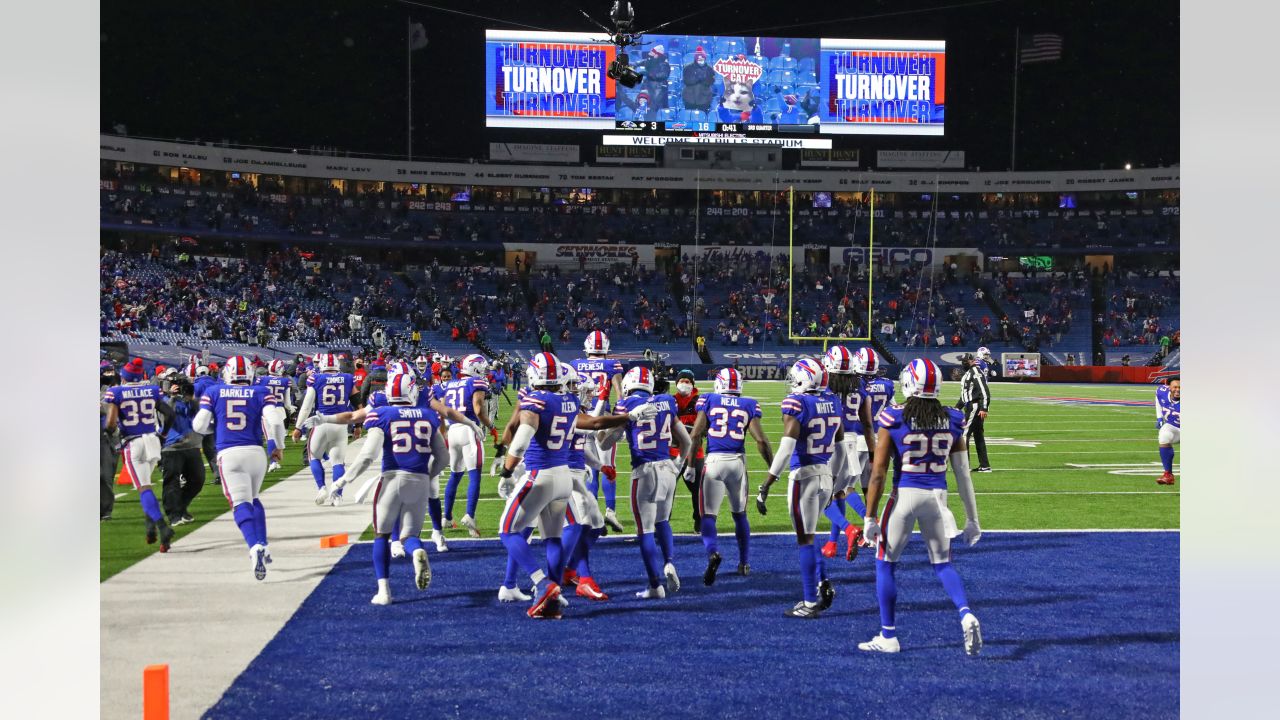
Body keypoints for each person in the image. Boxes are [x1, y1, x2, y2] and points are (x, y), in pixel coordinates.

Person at [495, 352, 639, 618]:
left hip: (540, 474)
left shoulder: (535, 400)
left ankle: (543, 583)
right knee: (552, 536)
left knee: (507, 531)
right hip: (564, 476)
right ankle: (551, 597)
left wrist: (506, 471)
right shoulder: (571, 402)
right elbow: (595, 423)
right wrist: (628, 418)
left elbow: (521, 439)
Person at [858, 358, 983, 655]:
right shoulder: (952, 418)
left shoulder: (893, 417)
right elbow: (964, 473)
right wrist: (972, 518)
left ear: (908, 383)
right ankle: (965, 612)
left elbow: (878, 473)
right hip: (937, 499)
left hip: (903, 497)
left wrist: (869, 516)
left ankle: (889, 635)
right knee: (943, 565)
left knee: (886, 564)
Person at [327, 372, 446, 605]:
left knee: (381, 534)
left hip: (391, 478)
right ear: (411, 391)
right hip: (419, 480)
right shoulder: (428, 415)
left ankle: (384, 591)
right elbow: (443, 458)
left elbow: (368, 455)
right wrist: (424, 476)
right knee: (410, 535)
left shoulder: (381, 413)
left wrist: (342, 481)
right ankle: (416, 552)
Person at [755, 358, 845, 619]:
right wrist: (834, 480)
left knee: (804, 540)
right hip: (826, 475)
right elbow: (840, 450)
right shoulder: (833, 402)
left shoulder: (798, 403)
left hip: (803, 477)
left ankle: (808, 602)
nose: (792, 382)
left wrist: (767, 481)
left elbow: (786, 448)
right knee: (810, 535)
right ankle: (823, 581)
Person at [597, 365, 691, 599]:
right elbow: (687, 441)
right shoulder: (667, 401)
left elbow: (603, 444)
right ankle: (669, 562)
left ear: (628, 384)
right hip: (668, 468)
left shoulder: (626, 405)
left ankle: (654, 586)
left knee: (645, 531)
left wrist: (617, 429)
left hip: (644, 470)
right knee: (663, 521)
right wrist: (678, 464)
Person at [193, 356, 285, 581]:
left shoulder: (214, 391)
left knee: (240, 503)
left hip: (229, 453)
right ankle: (264, 543)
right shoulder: (261, 391)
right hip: (255, 453)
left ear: (228, 373)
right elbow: (275, 421)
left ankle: (254, 547)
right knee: (254, 498)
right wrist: (278, 447)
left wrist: (216, 423)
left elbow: (199, 425)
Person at [683, 367, 773, 584]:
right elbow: (761, 441)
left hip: (714, 462)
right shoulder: (749, 404)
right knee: (740, 515)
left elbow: (695, 435)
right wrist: (772, 467)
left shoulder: (708, 399)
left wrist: (690, 466)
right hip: (737, 463)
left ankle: (713, 552)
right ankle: (743, 563)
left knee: (708, 516)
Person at [103, 357, 176, 551]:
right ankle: (151, 529)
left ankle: (162, 527)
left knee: (143, 488)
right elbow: (170, 414)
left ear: (124, 377)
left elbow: (110, 423)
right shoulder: (151, 390)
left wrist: (109, 434)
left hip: (133, 442)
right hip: (152, 440)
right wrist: (163, 435)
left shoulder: (115, 392)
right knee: (146, 485)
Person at [819, 346, 876, 562]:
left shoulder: (826, 386)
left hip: (833, 444)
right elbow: (868, 425)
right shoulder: (859, 386)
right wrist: (872, 454)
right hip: (854, 442)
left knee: (820, 495)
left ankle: (848, 530)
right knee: (840, 493)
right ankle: (833, 543)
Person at [571, 330, 627, 532]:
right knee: (608, 465)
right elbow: (621, 395)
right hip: (604, 419)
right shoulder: (612, 365)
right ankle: (610, 511)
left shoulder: (576, 364)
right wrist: (621, 421)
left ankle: (591, 514)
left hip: (584, 419)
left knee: (591, 469)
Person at [436, 354, 495, 537]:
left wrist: (443, 431)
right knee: (474, 475)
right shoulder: (476, 383)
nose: (484, 371)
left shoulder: (451, 383)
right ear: (475, 368)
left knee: (455, 474)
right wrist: (490, 426)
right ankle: (469, 514)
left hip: (453, 431)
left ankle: (446, 517)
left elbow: (442, 410)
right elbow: (478, 409)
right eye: (482, 368)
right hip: (469, 430)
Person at [292, 353, 355, 505]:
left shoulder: (316, 379)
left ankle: (322, 488)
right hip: (340, 424)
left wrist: (298, 427)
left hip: (321, 422)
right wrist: (357, 425)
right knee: (338, 462)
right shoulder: (347, 378)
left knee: (314, 457)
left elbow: (307, 406)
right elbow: (354, 401)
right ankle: (337, 495)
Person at [159, 373, 205, 525]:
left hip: (191, 445)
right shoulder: (164, 400)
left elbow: (199, 414)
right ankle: (174, 515)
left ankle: (180, 507)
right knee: (171, 481)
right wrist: (172, 396)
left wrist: (191, 397)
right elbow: (167, 415)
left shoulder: (190, 401)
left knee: (197, 480)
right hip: (172, 446)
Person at [670, 369, 704, 529]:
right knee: (667, 490)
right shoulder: (669, 400)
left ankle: (699, 520)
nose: (684, 383)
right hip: (672, 452)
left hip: (695, 453)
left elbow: (702, 430)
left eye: (687, 381)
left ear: (693, 384)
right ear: (676, 383)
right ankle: (663, 522)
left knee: (698, 490)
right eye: (681, 380)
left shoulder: (700, 401)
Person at [256, 359, 294, 472]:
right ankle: (275, 461)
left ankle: (273, 462)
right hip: (280, 410)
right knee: (278, 437)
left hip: (266, 410)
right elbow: (287, 403)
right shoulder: (285, 381)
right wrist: (291, 409)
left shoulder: (261, 379)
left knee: (270, 437)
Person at [957, 353, 993, 472]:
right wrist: (956, 408)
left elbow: (984, 391)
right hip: (972, 406)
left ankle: (964, 466)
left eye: (967, 360)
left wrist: (983, 408)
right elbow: (965, 396)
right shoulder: (969, 373)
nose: (964, 362)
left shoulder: (975, 372)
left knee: (964, 434)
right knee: (978, 436)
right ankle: (985, 465)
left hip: (975, 407)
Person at [1155, 377, 1180, 485]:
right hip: (1173, 426)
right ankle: (1168, 475)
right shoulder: (1162, 391)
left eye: (1181, 387)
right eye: (1175, 387)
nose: (1178, 390)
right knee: (1164, 435)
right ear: (1169, 387)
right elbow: (1157, 397)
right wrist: (1159, 417)